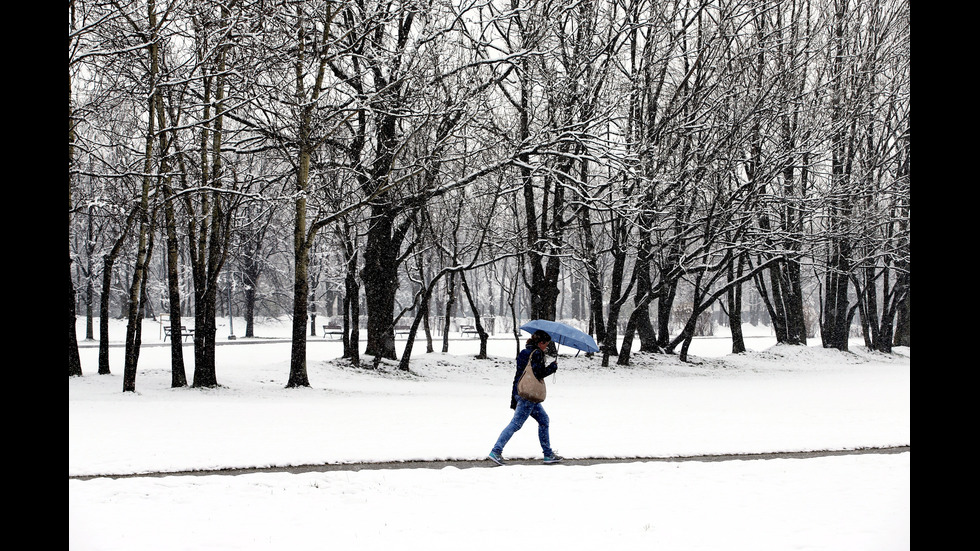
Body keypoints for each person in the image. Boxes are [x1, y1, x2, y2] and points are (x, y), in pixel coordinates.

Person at [488, 329, 563, 465]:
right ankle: (496, 451)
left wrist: (514, 397)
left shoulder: (524, 352)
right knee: (516, 424)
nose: (546, 347)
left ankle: (548, 454)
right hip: (529, 396)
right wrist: (552, 368)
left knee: (544, 420)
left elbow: (518, 376)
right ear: (541, 343)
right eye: (546, 344)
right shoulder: (537, 354)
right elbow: (539, 374)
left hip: (521, 392)